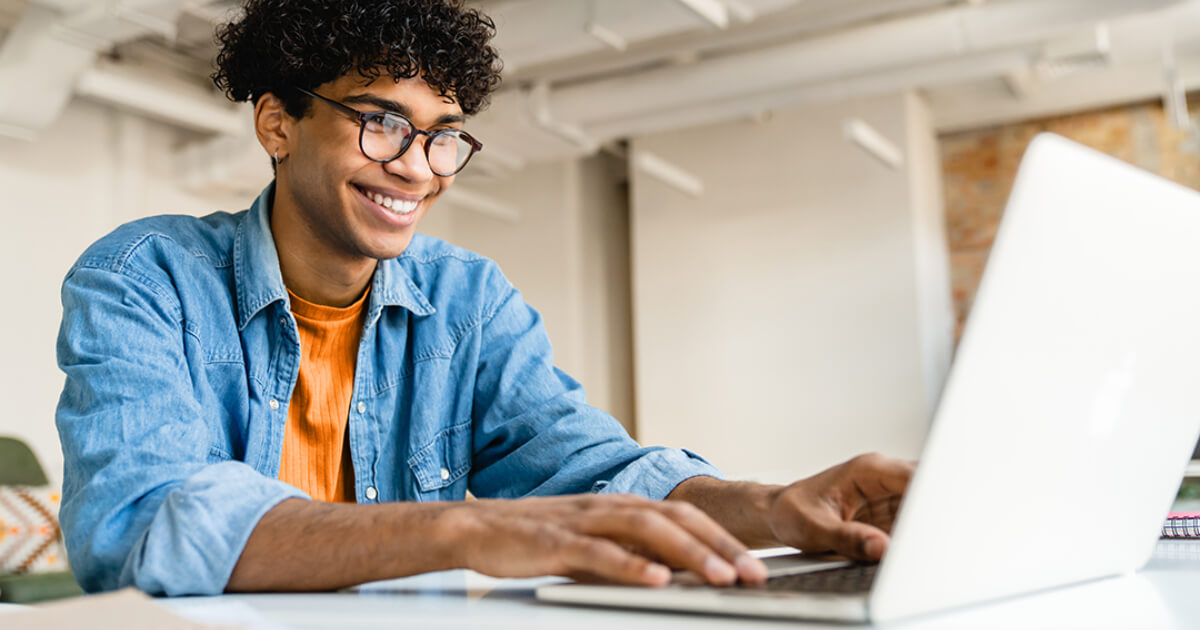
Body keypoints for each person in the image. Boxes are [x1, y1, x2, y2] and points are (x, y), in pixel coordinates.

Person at [55, 0, 913, 596]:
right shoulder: (144, 276)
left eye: (442, 136)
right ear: (277, 122)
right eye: (381, 121)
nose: (417, 166)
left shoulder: (466, 300)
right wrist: (463, 534)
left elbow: (599, 473)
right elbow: (142, 523)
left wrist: (773, 508)